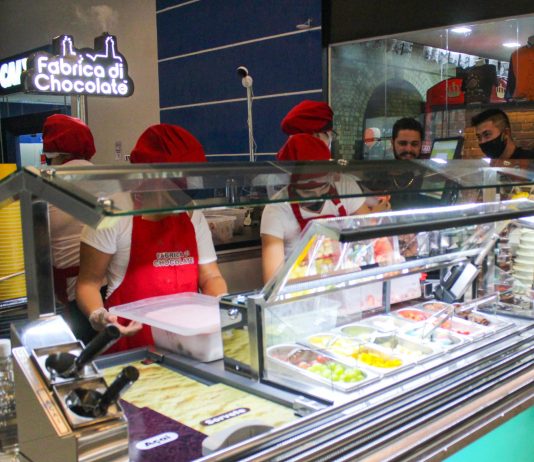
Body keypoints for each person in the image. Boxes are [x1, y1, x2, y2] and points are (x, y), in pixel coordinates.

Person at [76, 124, 228, 352]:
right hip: (130, 341)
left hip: (186, 342)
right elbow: (88, 283)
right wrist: (98, 316)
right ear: (151, 179)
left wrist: (223, 308)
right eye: (175, 193)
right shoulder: (112, 211)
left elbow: (211, 276)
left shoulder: (191, 213)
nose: (181, 204)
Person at [260, 133, 389, 283]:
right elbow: (272, 281)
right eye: (307, 182)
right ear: (290, 177)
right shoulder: (276, 209)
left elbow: (372, 236)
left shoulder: (344, 188)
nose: (315, 187)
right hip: (302, 292)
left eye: (321, 180)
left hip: (347, 284)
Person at [43, 114, 99, 344]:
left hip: (71, 295)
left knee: (78, 352)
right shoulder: (107, 178)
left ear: (53, 152)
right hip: (109, 287)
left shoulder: (46, 184)